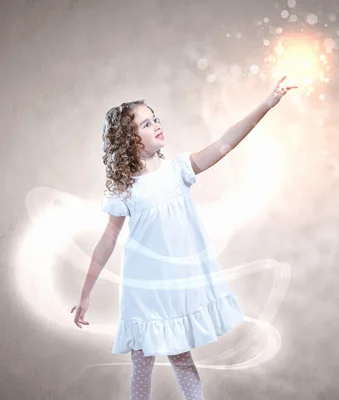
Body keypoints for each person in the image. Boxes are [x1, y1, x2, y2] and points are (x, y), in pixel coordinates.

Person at [70, 76, 297, 399]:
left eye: (156, 118)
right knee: (142, 360)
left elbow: (225, 143)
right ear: (130, 140)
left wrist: (266, 104)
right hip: (144, 289)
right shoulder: (126, 190)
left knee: (181, 356)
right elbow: (107, 240)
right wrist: (85, 294)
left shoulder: (179, 170)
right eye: (147, 124)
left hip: (175, 286)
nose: (157, 125)